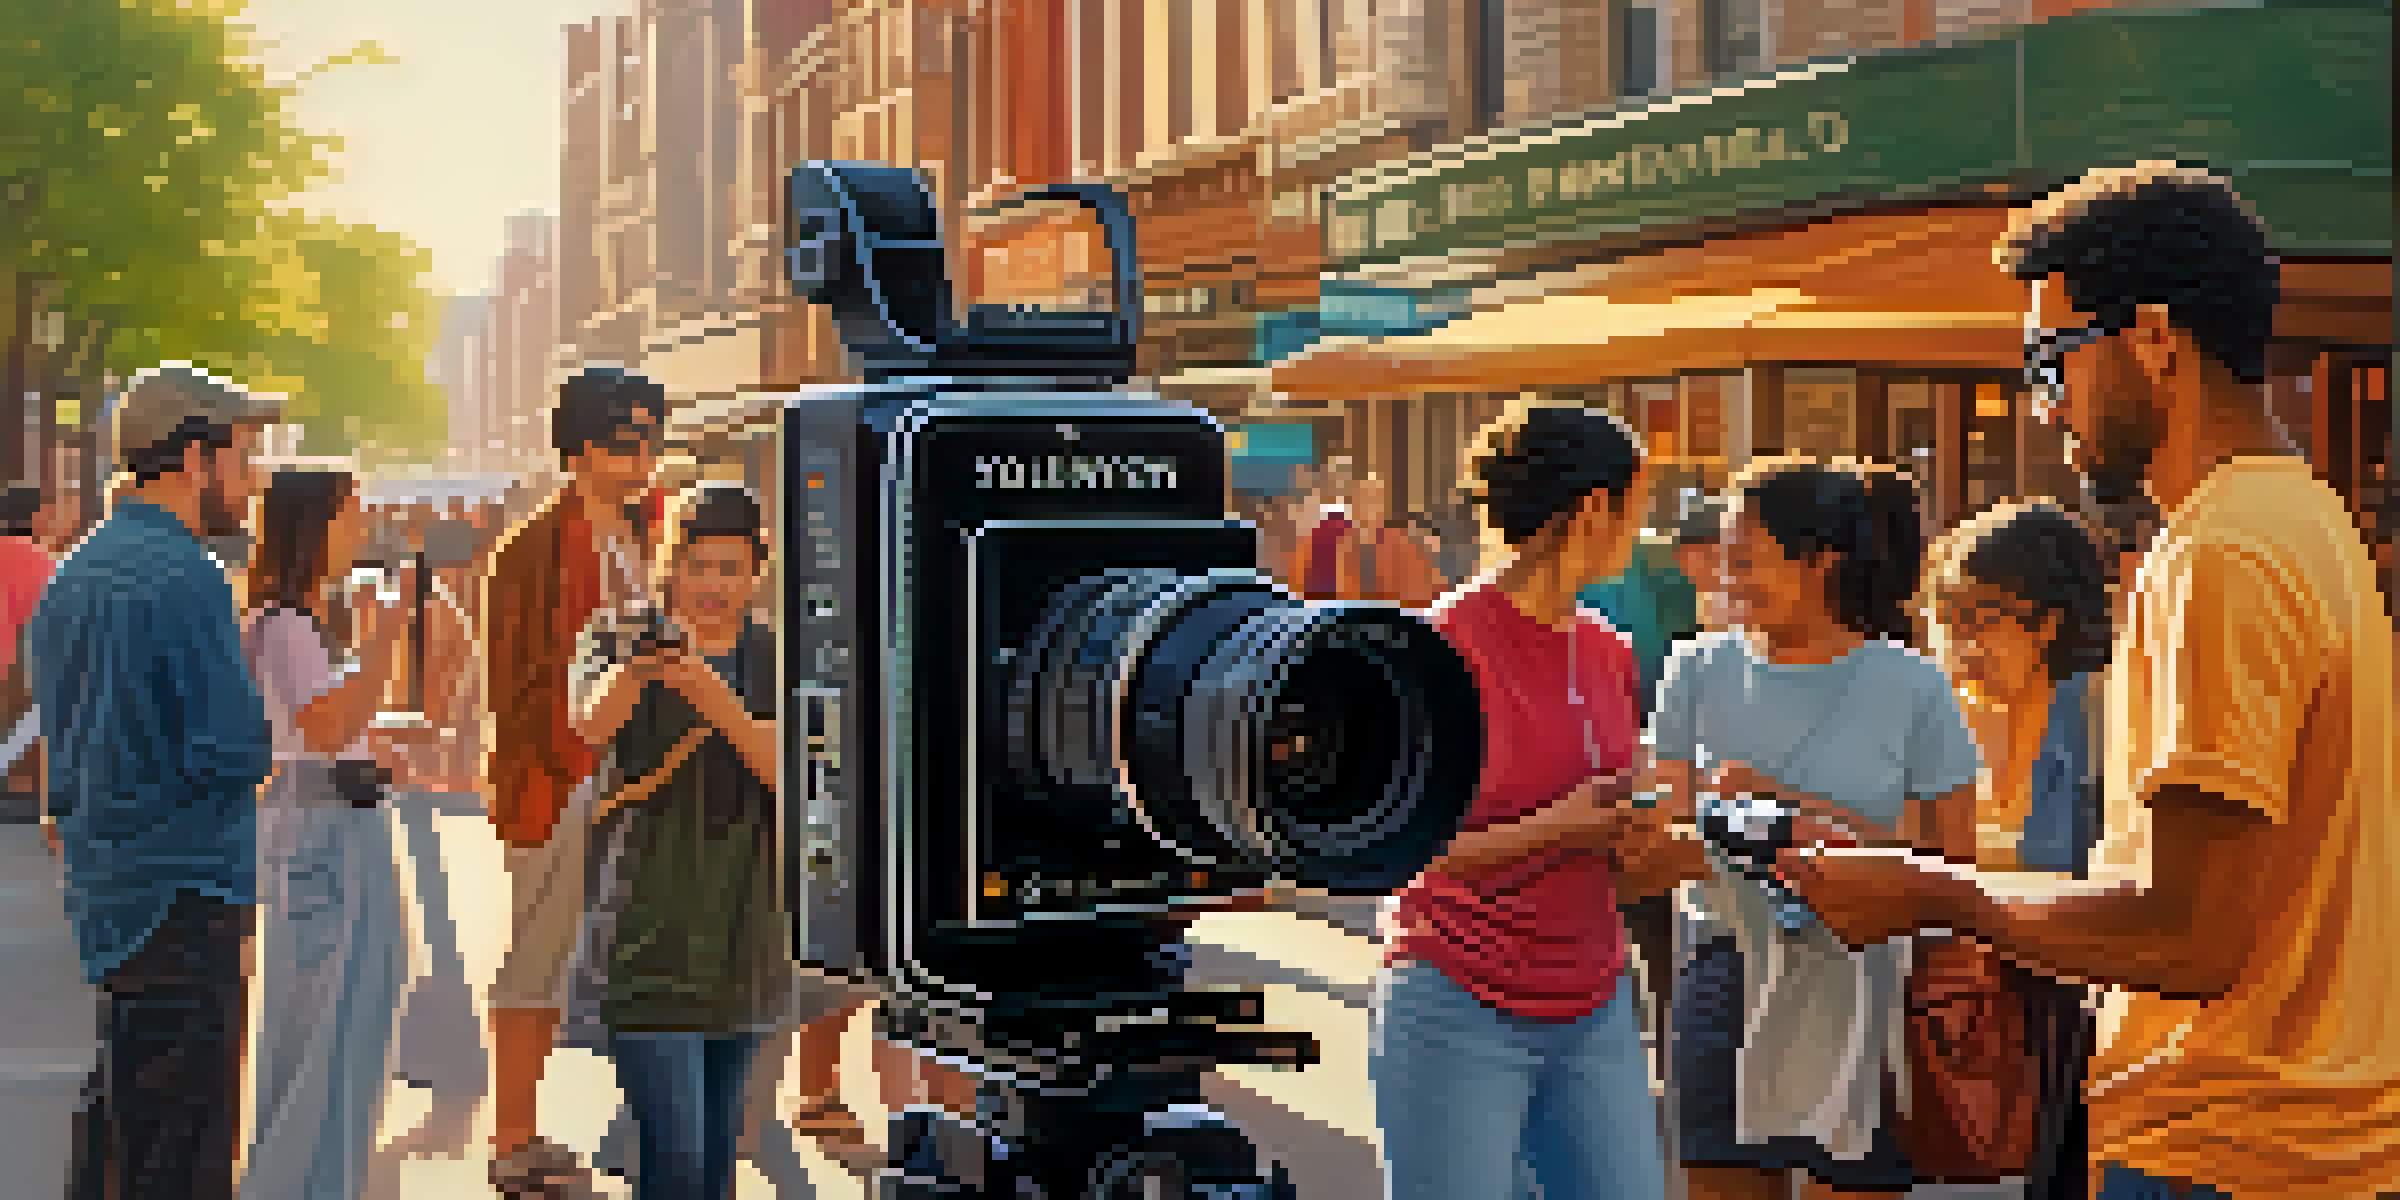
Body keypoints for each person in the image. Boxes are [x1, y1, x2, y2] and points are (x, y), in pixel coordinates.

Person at [1779, 163, 2400, 1200]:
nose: (2046, 404)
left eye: (2052, 358)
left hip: (2228, 1145)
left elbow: (2189, 937)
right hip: (2308, 1144)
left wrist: (1934, 893)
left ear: (2155, 338)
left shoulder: (2222, 553)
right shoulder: (2308, 520)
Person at [1633, 458, 1983, 1199]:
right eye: (1725, 560)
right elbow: (1657, 844)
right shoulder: (1692, 670)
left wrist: (1776, 809)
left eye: (1746, 560)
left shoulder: (1914, 685)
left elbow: (1951, 864)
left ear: (1823, 559)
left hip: (1864, 984)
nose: (1727, 579)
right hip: (1724, 973)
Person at [1370, 403, 1668, 1200]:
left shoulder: (1608, 650)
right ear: (1594, 508)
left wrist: (1645, 820)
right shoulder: (1443, 646)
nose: (1645, 527)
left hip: (1593, 996)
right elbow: (1401, 845)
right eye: (1639, 505)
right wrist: (1559, 826)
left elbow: (1615, 790)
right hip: (1456, 999)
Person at [30, 363, 279, 1200]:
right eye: (241, 456)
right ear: (192, 458)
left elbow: (59, 749)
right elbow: (230, 747)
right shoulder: (189, 576)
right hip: (187, 889)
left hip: (110, 890)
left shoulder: (77, 570)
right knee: (183, 1151)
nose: (251, 480)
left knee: (118, 1132)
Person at [566, 484, 785, 1200]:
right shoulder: (624, 632)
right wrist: (640, 667)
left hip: (743, 942)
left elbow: (788, 767)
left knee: (716, 1165)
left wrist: (705, 687)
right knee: (676, 1162)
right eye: (697, 565)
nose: (713, 585)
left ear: (758, 569)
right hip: (647, 939)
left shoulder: (775, 654)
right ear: (670, 565)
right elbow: (591, 728)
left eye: (730, 567)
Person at [480, 368, 665, 1184]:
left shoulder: (656, 529)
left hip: (650, 779)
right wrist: (560, 764)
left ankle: (646, 1123)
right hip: (559, 777)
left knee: (652, 957)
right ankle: (513, 1136)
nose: (645, 457)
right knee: (538, 956)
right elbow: (514, 684)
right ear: (581, 450)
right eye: (627, 443)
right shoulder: (531, 549)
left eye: (651, 439)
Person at [1917, 501, 2116, 1200]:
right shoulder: (1945, 715)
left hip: (2083, 1007)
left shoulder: (2101, 713)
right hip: (1980, 1011)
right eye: (1949, 613)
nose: (1961, 637)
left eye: (1985, 614)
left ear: (2050, 620)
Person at [239, 469, 418, 1200]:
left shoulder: (294, 623)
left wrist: (372, 749)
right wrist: (386, 637)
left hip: (328, 825)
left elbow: (325, 732)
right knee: (324, 1034)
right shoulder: (282, 624)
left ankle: (319, 1182)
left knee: (339, 1028)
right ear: (314, 525)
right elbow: (325, 724)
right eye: (350, 516)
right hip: (322, 838)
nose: (361, 531)